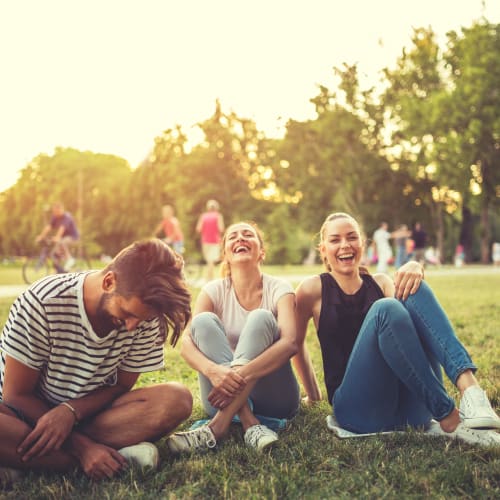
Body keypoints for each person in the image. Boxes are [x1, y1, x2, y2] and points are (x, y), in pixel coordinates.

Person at [0, 239, 193, 486]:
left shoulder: (147, 316)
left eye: (142, 319)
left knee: (176, 399)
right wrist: (82, 447)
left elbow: (121, 387)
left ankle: (28, 461)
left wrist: (71, 411)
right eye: (127, 313)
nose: (133, 326)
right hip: (21, 414)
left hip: (89, 414)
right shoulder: (43, 302)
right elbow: (16, 396)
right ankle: (106, 458)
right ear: (108, 282)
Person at [294, 212, 500, 439]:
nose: (345, 245)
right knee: (386, 309)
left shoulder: (381, 283)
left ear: (362, 243)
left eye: (352, 237)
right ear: (323, 249)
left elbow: (416, 316)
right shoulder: (312, 289)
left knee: (412, 287)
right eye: (335, 240)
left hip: (412, 411)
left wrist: (414, 266)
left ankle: (470, 390)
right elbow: (295, 343)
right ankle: (446, 411)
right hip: (358, 411)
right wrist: (313, 394)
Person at [166, 222, 300, 453]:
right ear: (225, 254)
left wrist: (238, 375)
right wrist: (213, 371)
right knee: (202, 322)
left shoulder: (279, 288)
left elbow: (290, 343)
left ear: (261, 251)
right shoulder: (213, 290)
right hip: (219, 396)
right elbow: (187, 344)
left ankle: (217, 427)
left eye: (248, 235)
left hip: (275, 399)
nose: (240, 239)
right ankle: (248, 421)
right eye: (233, 237)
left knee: (260, 318)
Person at [36, 202, 80, 272]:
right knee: (54, 253)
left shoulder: (67, 217)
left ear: (61, 210)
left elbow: (62, 228)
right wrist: (41, 236)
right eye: (54, 211)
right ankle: (61, 271)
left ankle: (70, 259)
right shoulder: (55, 217)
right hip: (62, 238)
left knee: (62, 242)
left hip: (73, 237)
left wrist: (57, 237)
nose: (54, 213)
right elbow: (48, 227)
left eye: (56, 211)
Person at [196, 199, 225, 281]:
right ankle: (209, 279)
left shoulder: (203, 216)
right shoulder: (218, 216)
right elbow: (221, 228)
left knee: (209, 260)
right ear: (216, 208)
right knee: (211, 260)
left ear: (208, 208)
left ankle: (208, 278)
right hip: (215, 240)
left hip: (205, 240)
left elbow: (198, 229)